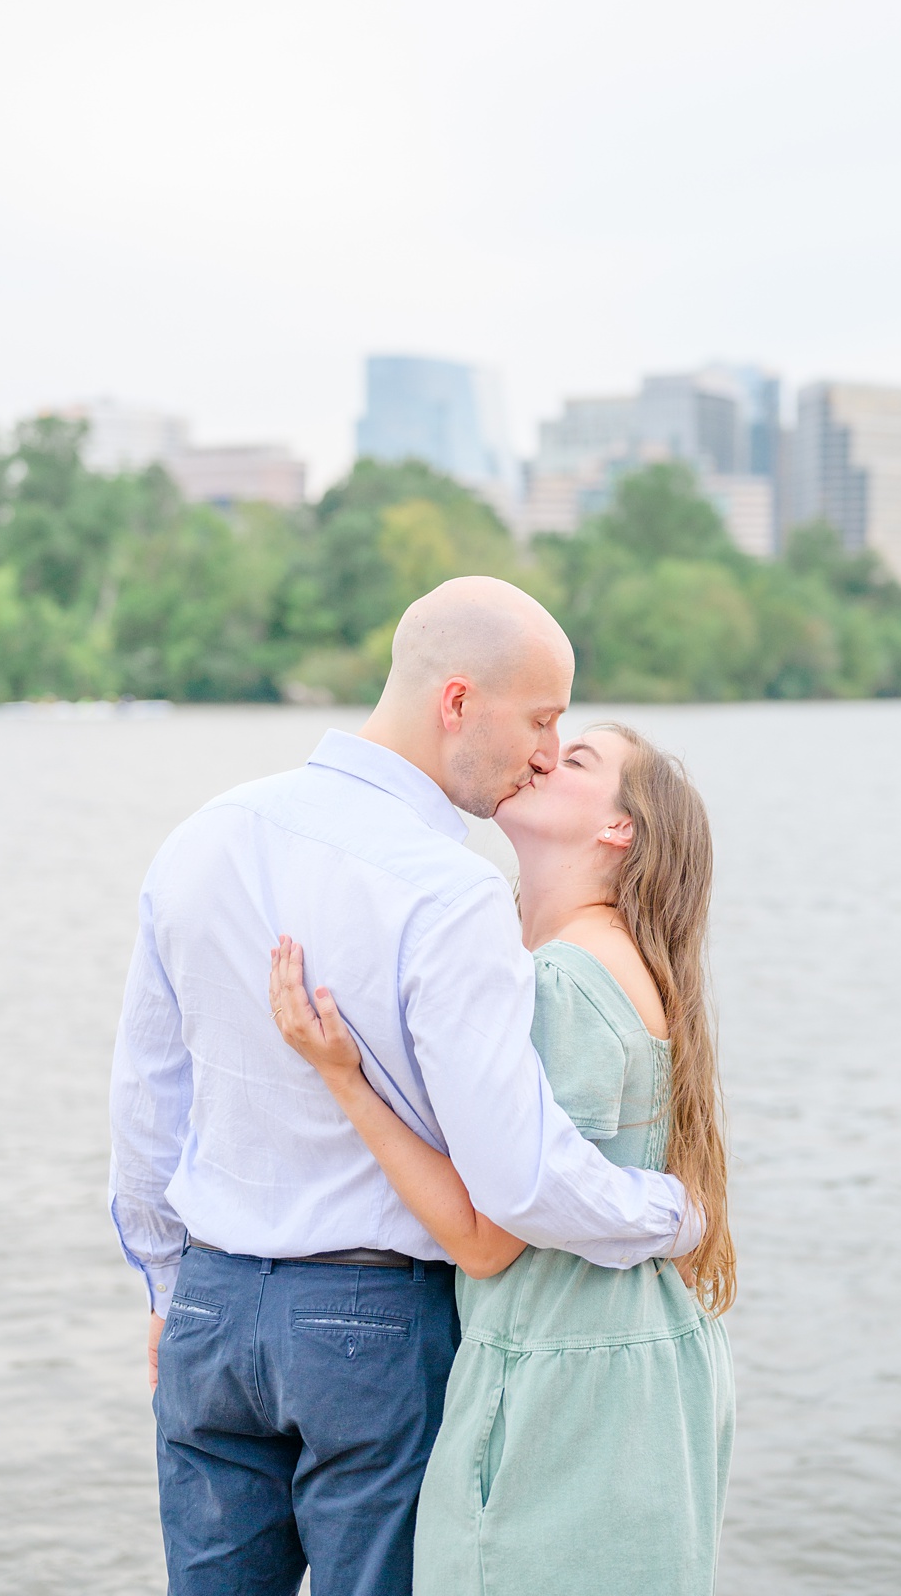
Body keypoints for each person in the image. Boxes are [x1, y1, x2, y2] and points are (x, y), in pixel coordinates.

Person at [108, 577, 701, 1596]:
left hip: (208, 1304)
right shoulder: (450, 890)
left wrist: (167, 1285)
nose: (549, 752)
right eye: (543, 718)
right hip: (369, 1322)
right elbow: (516, 1183)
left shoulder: (205, 835)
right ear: (458, 701)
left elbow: (145, 1102)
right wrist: (670, 1211)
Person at [271, 720, 735, 1591]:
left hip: (564, 1390)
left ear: (619, 829)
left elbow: (488, 1240)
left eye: (582, 759)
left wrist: (346, 1083)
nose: (548, 756)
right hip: (629, 1363)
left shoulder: (565, 982)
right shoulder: (608, 962)